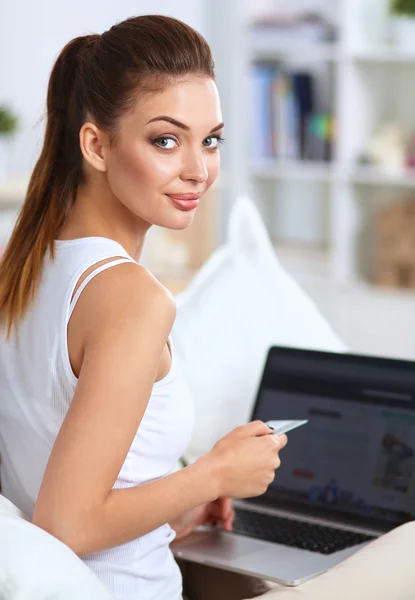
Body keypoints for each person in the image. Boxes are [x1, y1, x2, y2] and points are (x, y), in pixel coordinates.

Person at [0, 14, 287, 600]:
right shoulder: (130, 297)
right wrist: (213, 474)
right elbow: (66, 525)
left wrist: (181, 501)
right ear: (96, 145)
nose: (198, 169)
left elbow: (51, 480)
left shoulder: (26, 267)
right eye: (166, 139)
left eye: (210, 140)